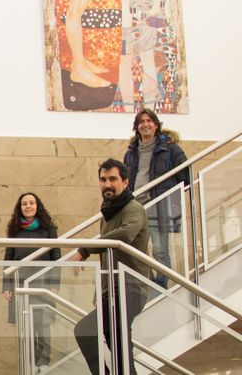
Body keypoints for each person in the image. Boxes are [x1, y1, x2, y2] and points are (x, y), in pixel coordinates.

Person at [72, 159, 149, 375]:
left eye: (113, 179)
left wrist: (85, 248)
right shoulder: (107, 215)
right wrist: (101, 292)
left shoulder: (134, 209)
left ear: (125, 182)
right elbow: (107, 258)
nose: (107, 184)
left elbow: (124, 236)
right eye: (103, 179)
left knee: (87, 331)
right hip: (113, 290)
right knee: (119, 349)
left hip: (130, 287)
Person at [123, 108, 188, 288]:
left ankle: (161, 284)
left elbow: (186, 177)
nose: (145, 124)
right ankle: (147, 281)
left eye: (149, 121)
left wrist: (172, 198)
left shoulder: (170, 148)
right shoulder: (131, 152)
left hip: (159, 205)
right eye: (141, 122)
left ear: (156, 125)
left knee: (159, 249)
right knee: (137, 249)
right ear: (137, 127)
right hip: (136, 206)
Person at [2, 193, 61, 371]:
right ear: (20, 208)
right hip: (20, 283)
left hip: (43, 282)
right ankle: (28, 363)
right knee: (25, 328)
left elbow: (56, 256)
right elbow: (8, 259)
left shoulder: (48, 228)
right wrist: (6, 285)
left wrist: (54, 283)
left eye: (31, 203)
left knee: (43, 326)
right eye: (24, 204)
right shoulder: (15, 230)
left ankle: (43, 363)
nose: (28, 206)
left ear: (37, 206)